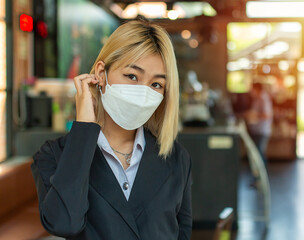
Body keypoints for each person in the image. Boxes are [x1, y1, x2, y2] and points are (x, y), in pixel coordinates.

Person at [31, 20, 192, 240]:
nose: (143, 93)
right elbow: (64, 224)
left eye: (156, 84)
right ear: (101, 73)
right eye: (132, 76)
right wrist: (85, 128)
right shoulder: (54, 155)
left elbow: (182, 233)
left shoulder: (176, 158)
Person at [245, 82, 273, 168]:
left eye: (253, 89)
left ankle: (262, 177)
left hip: (262, 130)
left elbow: (267, 114)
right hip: (256, 130)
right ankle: (258, 177)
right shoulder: (257, 99)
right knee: (256, 153)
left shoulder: (264, 99)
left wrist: (255, 115)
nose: (251, 91)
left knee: (259, 154)